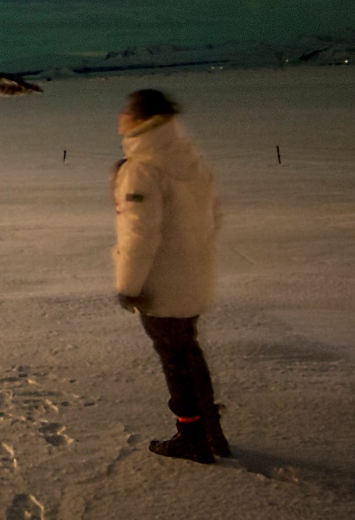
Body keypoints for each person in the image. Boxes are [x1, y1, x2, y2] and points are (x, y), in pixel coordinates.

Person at [113, 87, 230, 463]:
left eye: (126, 111)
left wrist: (128, 286)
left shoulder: (141, 169)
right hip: (195, 275)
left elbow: (139, 235)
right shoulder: (186, 157)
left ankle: (192, 435)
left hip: (162, 285)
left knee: (176, 360)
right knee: (188, 352)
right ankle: (211, 434)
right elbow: (214, 215)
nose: (120, 117)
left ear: (141, 120)